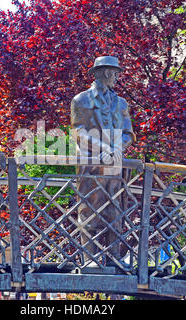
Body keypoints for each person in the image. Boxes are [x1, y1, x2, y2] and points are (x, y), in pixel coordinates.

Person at [70, 56, 135, 269]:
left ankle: (114, 259)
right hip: (90, 164)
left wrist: (117, 149)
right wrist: (104, 148)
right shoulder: (81, 100)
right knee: (89, 210)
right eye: (115, 74)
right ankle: (89, 260)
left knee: (115, 210)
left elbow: (128, 134)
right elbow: (78, 132)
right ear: (106, 73)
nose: (117, 78)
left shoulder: (121, 103)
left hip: (115, 165)